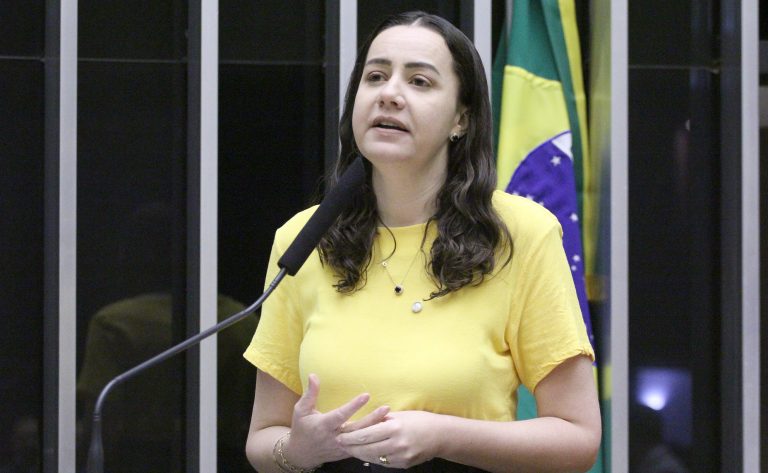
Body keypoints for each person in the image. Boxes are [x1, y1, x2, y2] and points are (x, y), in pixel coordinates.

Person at [244, 11, 601, 473]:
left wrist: (442, 435)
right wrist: (296, 452)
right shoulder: (303, 239)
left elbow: (577, 437)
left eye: (419, 82)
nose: (389, 94)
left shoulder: (520, 234)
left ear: (461, 119)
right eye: (375, 77)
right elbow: (262, 438)